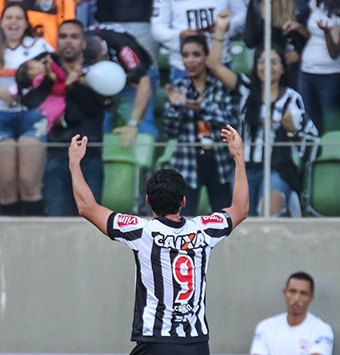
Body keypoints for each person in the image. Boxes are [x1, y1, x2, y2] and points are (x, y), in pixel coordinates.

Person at [67, 124, 248, 353]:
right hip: (197, 343)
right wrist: (238, 157)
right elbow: (240, 209)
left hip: (157, 341)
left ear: (148, 201)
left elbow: (86, 207)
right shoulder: (204, 229)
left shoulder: (141, 230)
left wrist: (74, 163)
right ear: (183, 201)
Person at [209, 10, 318, 216]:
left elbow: (312, 144)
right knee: (238, 220)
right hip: (244, 167)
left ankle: (288, 204)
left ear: (284, 68)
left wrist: (292, 131)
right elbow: (214, 65)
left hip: (277, 169)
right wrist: (221, 28)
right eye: (262, 61)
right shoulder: (246, 90)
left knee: (268, 215)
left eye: (275, 62)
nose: (267, 67)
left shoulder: (292, 98)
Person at [0, 4, 54, 216]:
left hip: (33, 116)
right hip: (1, 117)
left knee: (28, 182)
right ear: (1, 22)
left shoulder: (38, 45)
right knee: (7, 185)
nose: (13, 22)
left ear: (26, 23)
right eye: (8, 17)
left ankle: (34, 235)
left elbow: (55, 76)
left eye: (18, 18)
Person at [162, 33, 239, 216]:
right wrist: (176, 108)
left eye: (196, 54)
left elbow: (231, 121)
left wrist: (201, 107)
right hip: (187, 162)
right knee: (183, 220)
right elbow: (170, 132)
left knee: (224, 222)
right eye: (186, 55)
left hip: (219, 162)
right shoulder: (178, 86)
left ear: (206, 57)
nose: (190, 60)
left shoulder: (221, 85)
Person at [42, 19, 107, 216]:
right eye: (63, 37)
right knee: (55, 222)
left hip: (90, 155)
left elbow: (95, 108)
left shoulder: (98, 74)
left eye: (74, 37)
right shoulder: (46, 75)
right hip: (55, 154)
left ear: (83, 43)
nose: (68, 41)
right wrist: (63, 84)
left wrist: (74, 85)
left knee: (91, 223)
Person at [298, 0, 340, 135]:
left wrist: (328, 33)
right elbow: (315, 35)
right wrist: (298, 28)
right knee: (309, 126)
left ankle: (333, 161)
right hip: (307, 73)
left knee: (331, 127)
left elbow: (335, 51)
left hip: (331, 76)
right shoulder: (319, 5)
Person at [243, 0, 309, 89]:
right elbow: (249, 41)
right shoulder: (257, 3)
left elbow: (311, 36)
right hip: (266, 62)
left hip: (294, 65)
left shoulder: (299, 2)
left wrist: (299, 52)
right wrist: (264, 19)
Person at [250, 272, 334, 355]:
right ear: (285, 293)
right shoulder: (265, 327)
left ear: (311, 298)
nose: (297, 298)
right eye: (293, 292)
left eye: (303, 293)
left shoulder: (321, 330)